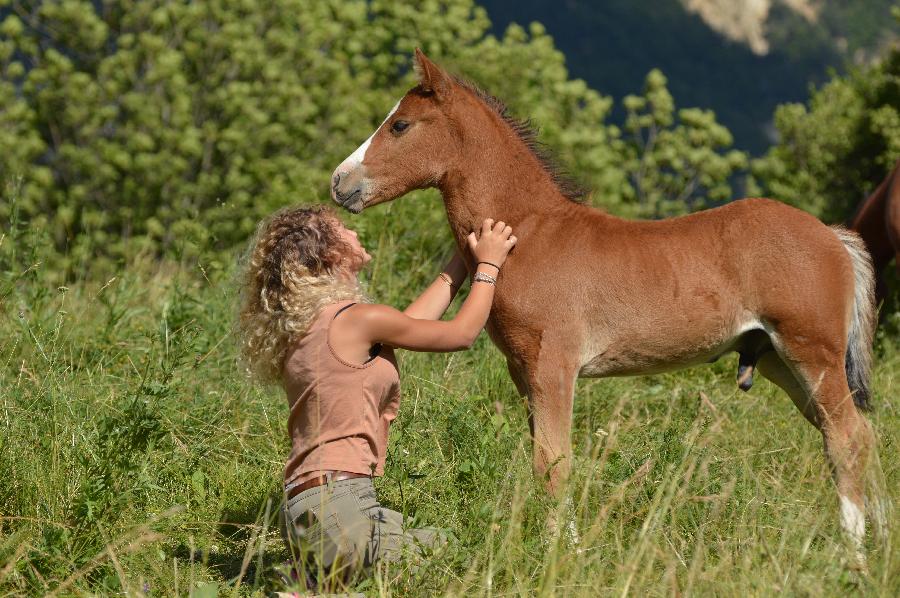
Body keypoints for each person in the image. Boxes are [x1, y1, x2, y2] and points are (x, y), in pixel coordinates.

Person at [236, 205, 516, 590]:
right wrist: (489, 267)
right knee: (453, 557)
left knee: (403, 560)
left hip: (307, 507)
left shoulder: (310, 329)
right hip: (340, 502)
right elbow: (462, 335)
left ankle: (312, 579)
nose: (354, 231)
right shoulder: (356, 319)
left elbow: (415, 323)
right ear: (331, 252)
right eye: (343, 228)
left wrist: (461, 260)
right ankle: (309, 582)